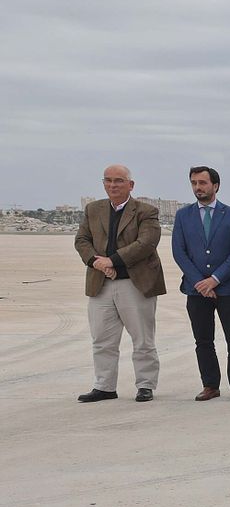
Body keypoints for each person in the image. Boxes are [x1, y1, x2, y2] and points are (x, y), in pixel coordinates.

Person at [72, 164, 165, 402]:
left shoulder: (146, 211)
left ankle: (145, 385)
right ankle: (104, 386)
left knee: (143, 339)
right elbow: (82, 239)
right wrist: (97, 262)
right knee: (102, 340)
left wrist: (111, 261)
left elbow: (146, 244)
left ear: (130, 185)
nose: (113, 185)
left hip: (134, 284)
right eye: (108, 180)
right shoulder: (93, 209)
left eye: (119, 181)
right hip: (100, 284)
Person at [171, 166, 230, 400]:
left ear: (215, 186)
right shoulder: (183, 216)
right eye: (194, 183)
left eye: (203, 183)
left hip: (228, 288)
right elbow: (179, 252)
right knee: (203, 340)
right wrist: (200, 283)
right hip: (196, 291)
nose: (198, 187)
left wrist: (214, 280)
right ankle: (210, 385)